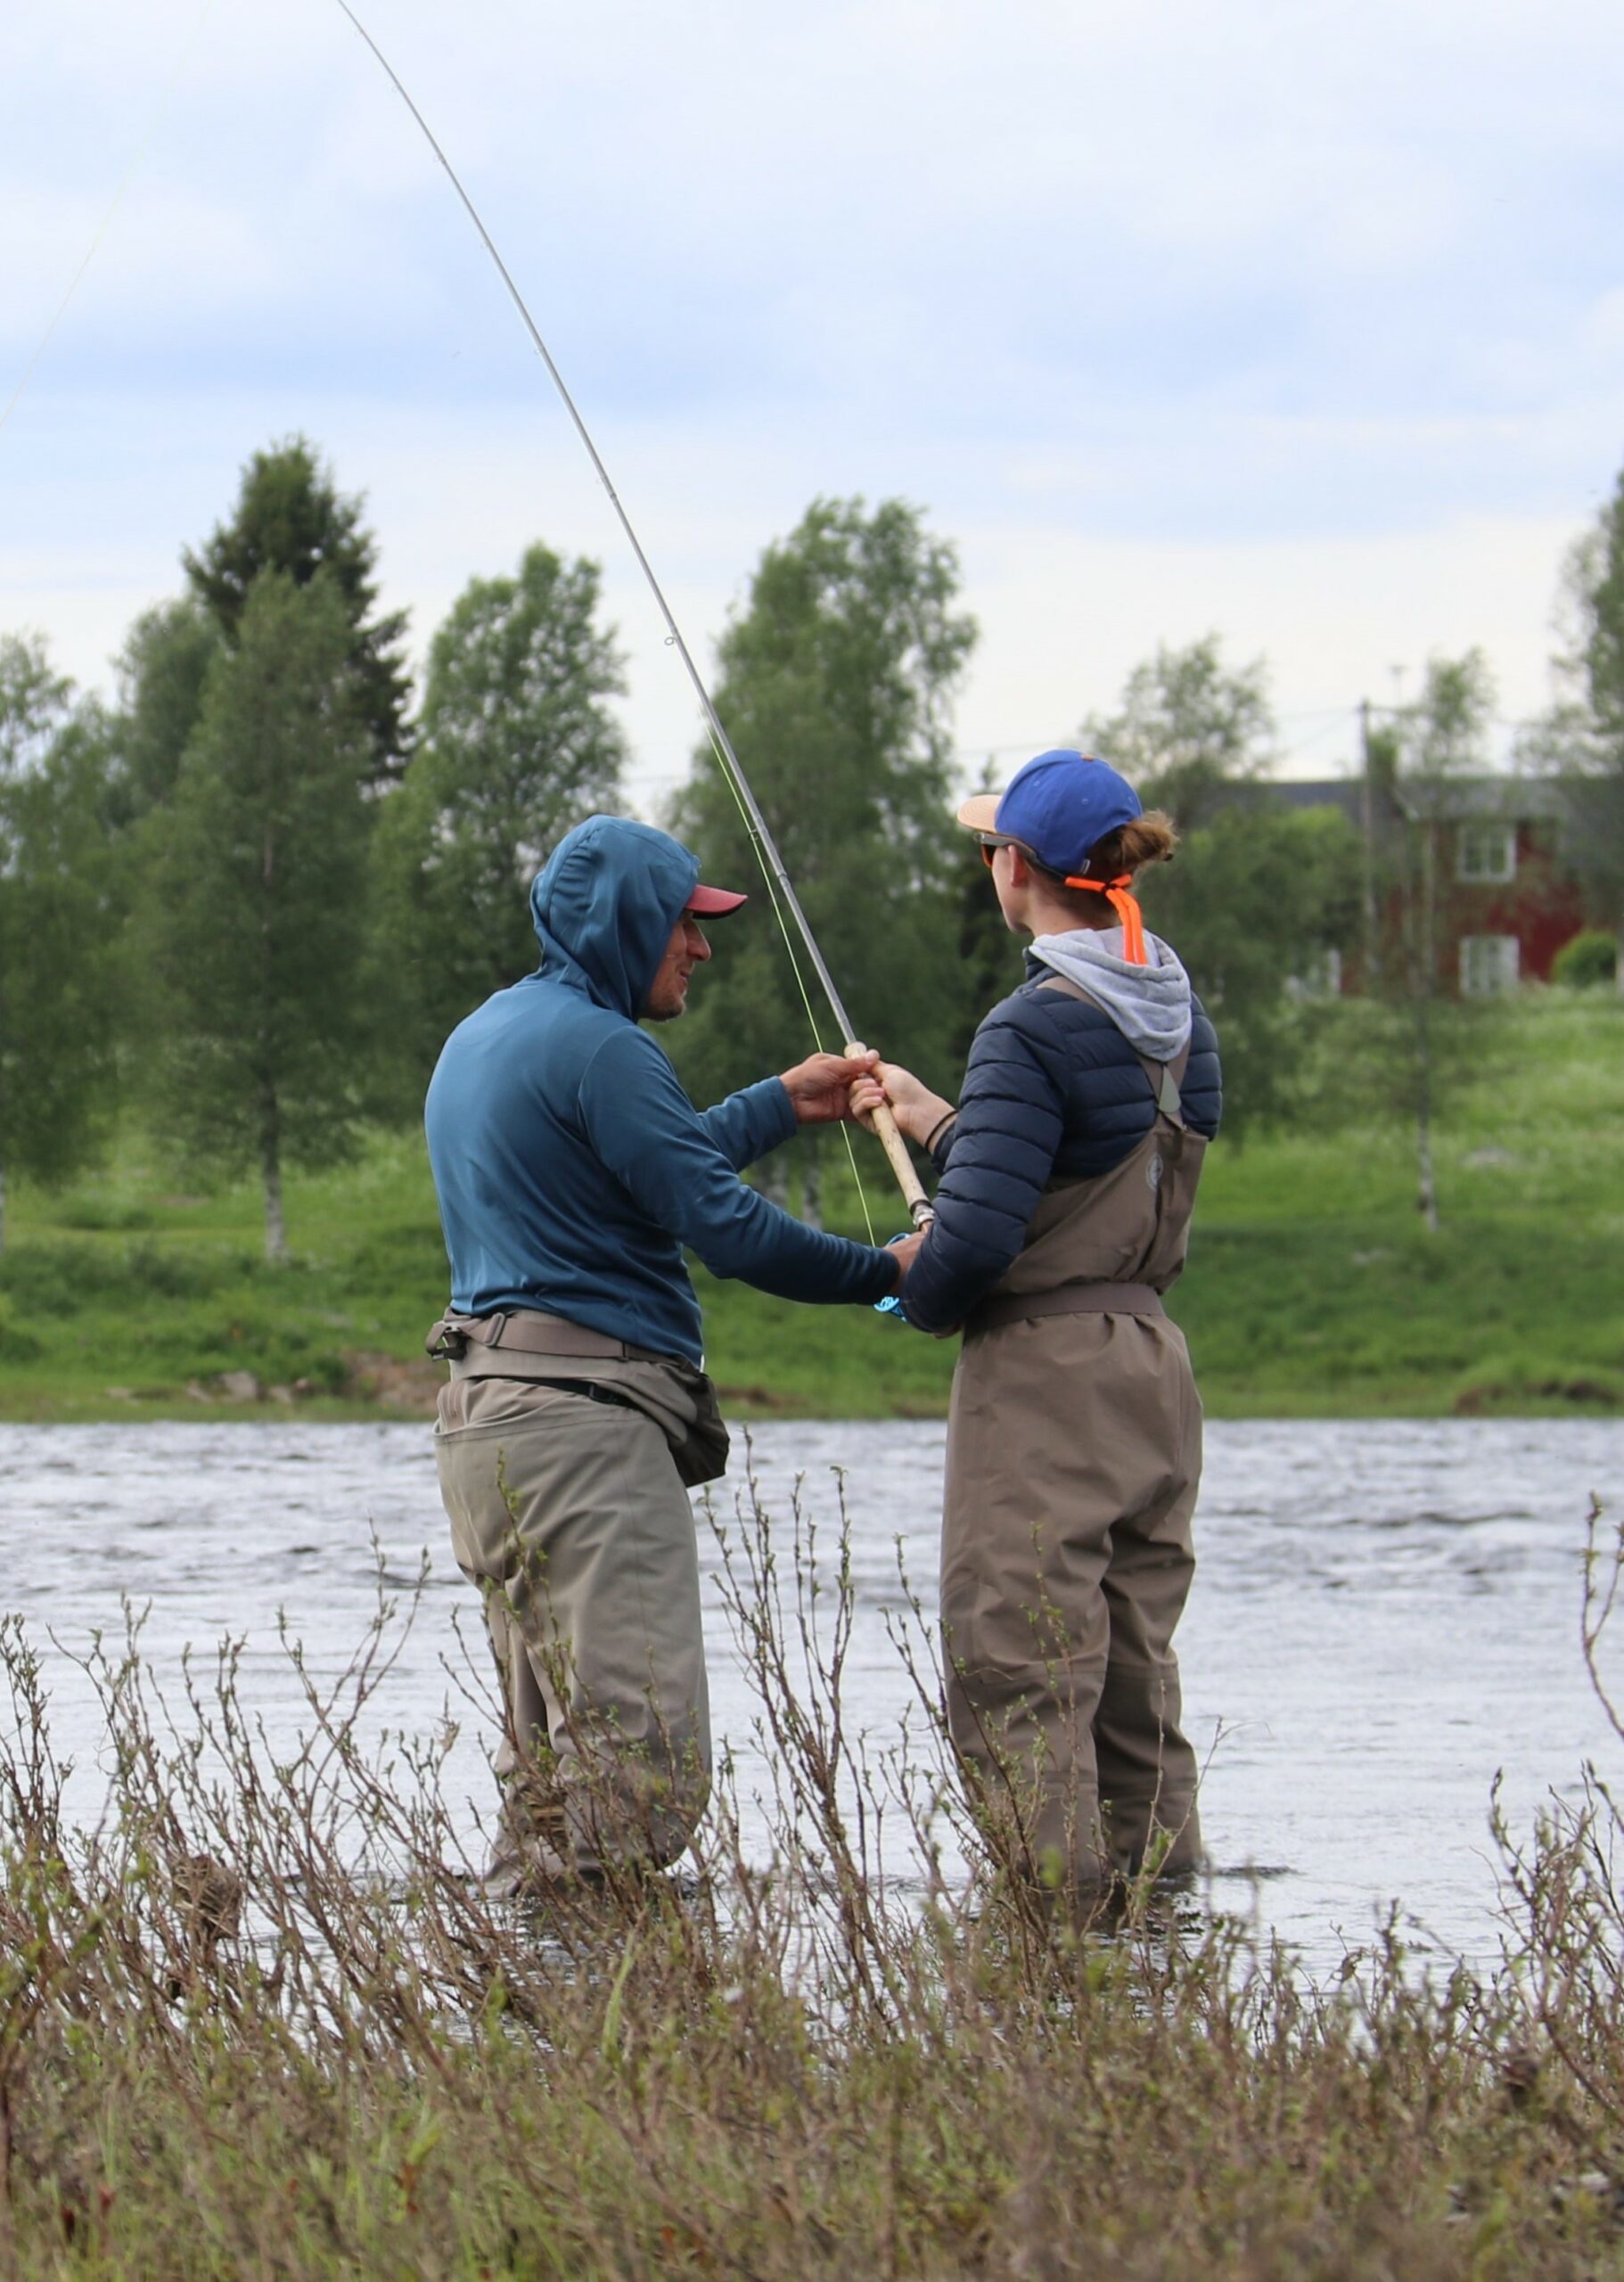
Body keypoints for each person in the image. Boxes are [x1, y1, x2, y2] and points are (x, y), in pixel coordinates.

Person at [424, 812, 918, 1893]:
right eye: (682, 926)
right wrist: (893, 1271)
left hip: (487, 1430)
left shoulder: (491, 1034)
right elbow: (726, 1229)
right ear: (623, 923)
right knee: (637, 1771)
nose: (700, 947)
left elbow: (637, 1160)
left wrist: (780, 1104)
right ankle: (616, 2023)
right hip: (582, 1437)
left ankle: (526, 2023)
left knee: (549, 1777)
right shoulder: (606, 1047)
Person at [851, 750, 1222, 1897]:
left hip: (1045, 1381)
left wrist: (904, 1283)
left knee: (1019, 1664)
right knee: (1129, 1677)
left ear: (1020, 868)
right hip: (1150, 1369)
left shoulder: (1027, 1025)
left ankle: (1049, 1958)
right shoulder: (1178, 1014)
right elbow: (1080, 1167)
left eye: (989, 848)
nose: (986, 865)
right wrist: (947, 1123)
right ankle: (1163, 1947)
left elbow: (968, 1253)